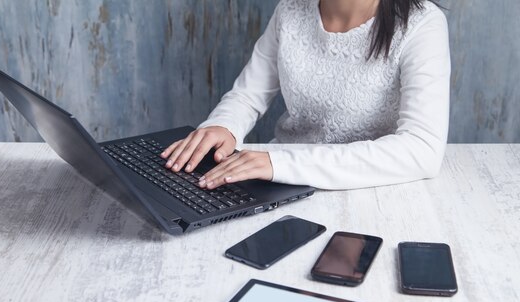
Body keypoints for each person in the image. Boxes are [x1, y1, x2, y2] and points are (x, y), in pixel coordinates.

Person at [160, 0, 450, 190]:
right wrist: (224, 125)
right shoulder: (291, 9)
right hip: (277, 183)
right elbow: (247, 97)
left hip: (373, 189)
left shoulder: (421, 23)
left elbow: (422, 150)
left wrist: (281, 162)